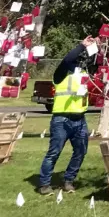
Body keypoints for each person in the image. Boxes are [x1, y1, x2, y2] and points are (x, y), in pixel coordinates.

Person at [36, 37, 98, 195]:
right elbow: (67, 60)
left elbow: (96, 62)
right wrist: (82, 46)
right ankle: (44, 184)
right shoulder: (61, 74)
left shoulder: (84, 74)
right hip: (61, 119)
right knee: (54, 152)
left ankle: (69, 180)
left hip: (79, 119)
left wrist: (98, 46)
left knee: (81, 151)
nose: (80, 62)